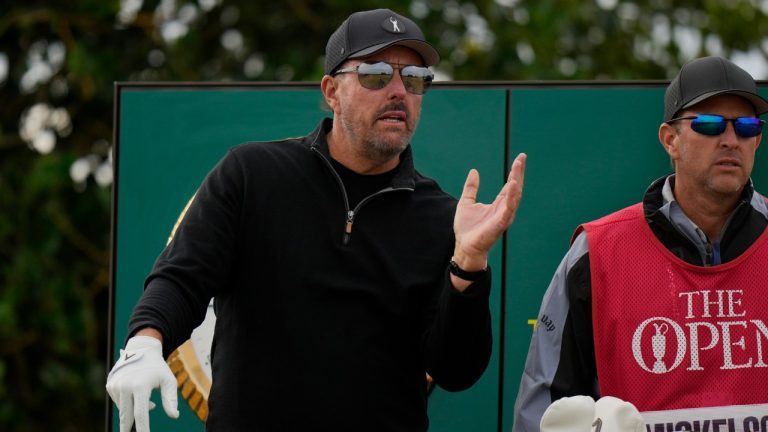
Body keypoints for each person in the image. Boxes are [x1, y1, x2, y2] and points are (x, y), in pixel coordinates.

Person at [106, 8, 527, 432]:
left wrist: (469, 264)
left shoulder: (441, 216)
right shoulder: (252, 174)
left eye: (415, 78)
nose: (399, 90)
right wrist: (145, 341)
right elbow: (182, 278)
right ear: (332, 91)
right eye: (377, 74)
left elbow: (456, 370)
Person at [513, 56, 768, 432]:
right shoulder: (597, 250)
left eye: (746, 126)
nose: (731, 139)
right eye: (709, 124)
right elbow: (544, 412)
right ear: (671, 140)